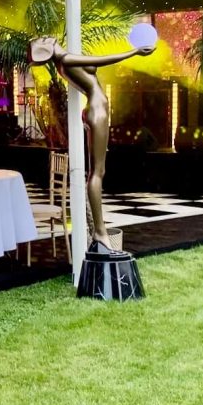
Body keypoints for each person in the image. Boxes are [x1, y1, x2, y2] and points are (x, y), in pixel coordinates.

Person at [29, 34, 154, 253]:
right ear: (45, 49)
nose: (48, 36)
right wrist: (133, 52)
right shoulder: (65, 60)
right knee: (97, 173)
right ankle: (100, 230)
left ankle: (99, 229)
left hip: (95, 109)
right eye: (43, 39)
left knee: (98, 171)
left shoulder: (64, 61)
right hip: (96, 110)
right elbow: (102, 60)